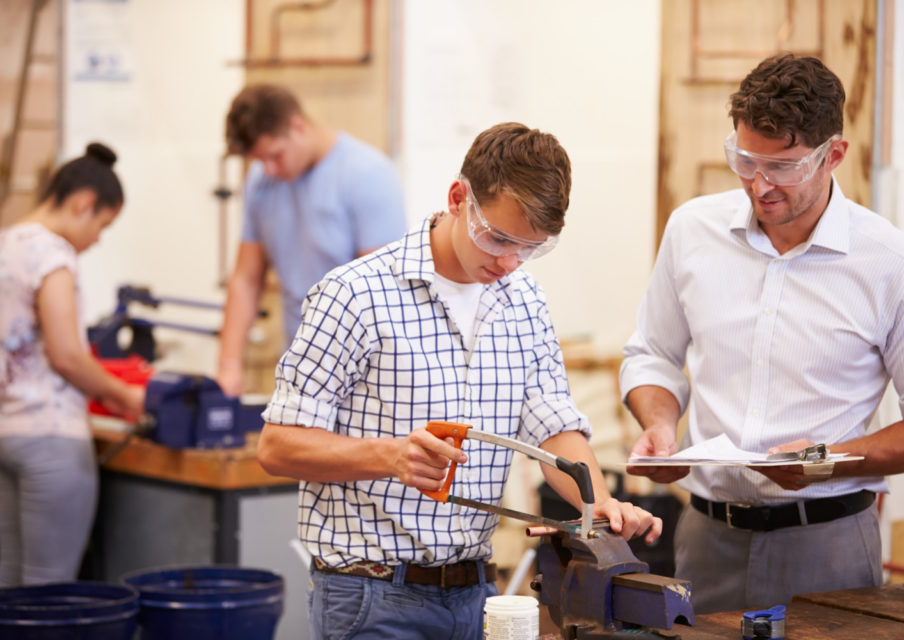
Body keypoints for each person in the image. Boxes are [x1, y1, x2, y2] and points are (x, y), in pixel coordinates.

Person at [257, 122, 662, 639]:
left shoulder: (524, 300)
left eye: (530, 248)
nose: (509, 262)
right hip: (370, 596)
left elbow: (553, 427)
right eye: (497, 238)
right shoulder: (353, 295)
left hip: (476, 597)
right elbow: (277, 445)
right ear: (458, 198)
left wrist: (595, 501)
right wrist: (391, 457)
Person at [621, 53, 904, 614]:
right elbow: (651, 355)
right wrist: (658, 423)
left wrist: (826, 459)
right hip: (707, 536)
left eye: (784, 166)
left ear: (835, 155)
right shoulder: (692, 230)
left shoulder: (886, 260)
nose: (759, 184)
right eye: (745, 159)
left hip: (829, 544)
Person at [0, 142, 146, 586]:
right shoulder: (53, 255)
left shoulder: (7, 243)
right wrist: (127, 396)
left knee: (7, 589)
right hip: (51, 439)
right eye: (102, 225)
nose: (97, 239)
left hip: (5, 433)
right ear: (84, 204)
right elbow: (65, 355)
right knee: (50, 592)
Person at [216, 83, 407, 396]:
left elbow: (381, 295)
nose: (268, 169)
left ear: (297, 126)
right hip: (297, 366)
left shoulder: (368, 175)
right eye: (260, 160)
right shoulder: (260, 181)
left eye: (275, 156)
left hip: (359, 375)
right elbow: (247, 279)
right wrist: (229, 365)